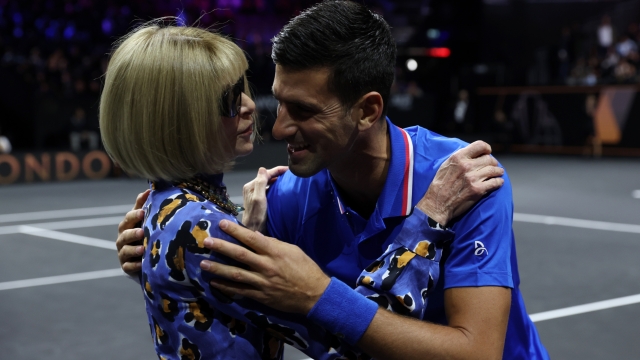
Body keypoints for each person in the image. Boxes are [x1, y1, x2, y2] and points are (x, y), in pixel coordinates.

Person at [117, 1, 548, 358]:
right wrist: (167, 259)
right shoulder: (283, 200)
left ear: (367, 110)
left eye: (302, 111)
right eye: (279, 102)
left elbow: (478, 353)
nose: (279, 128)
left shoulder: (466, 179)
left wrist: (317, 294)